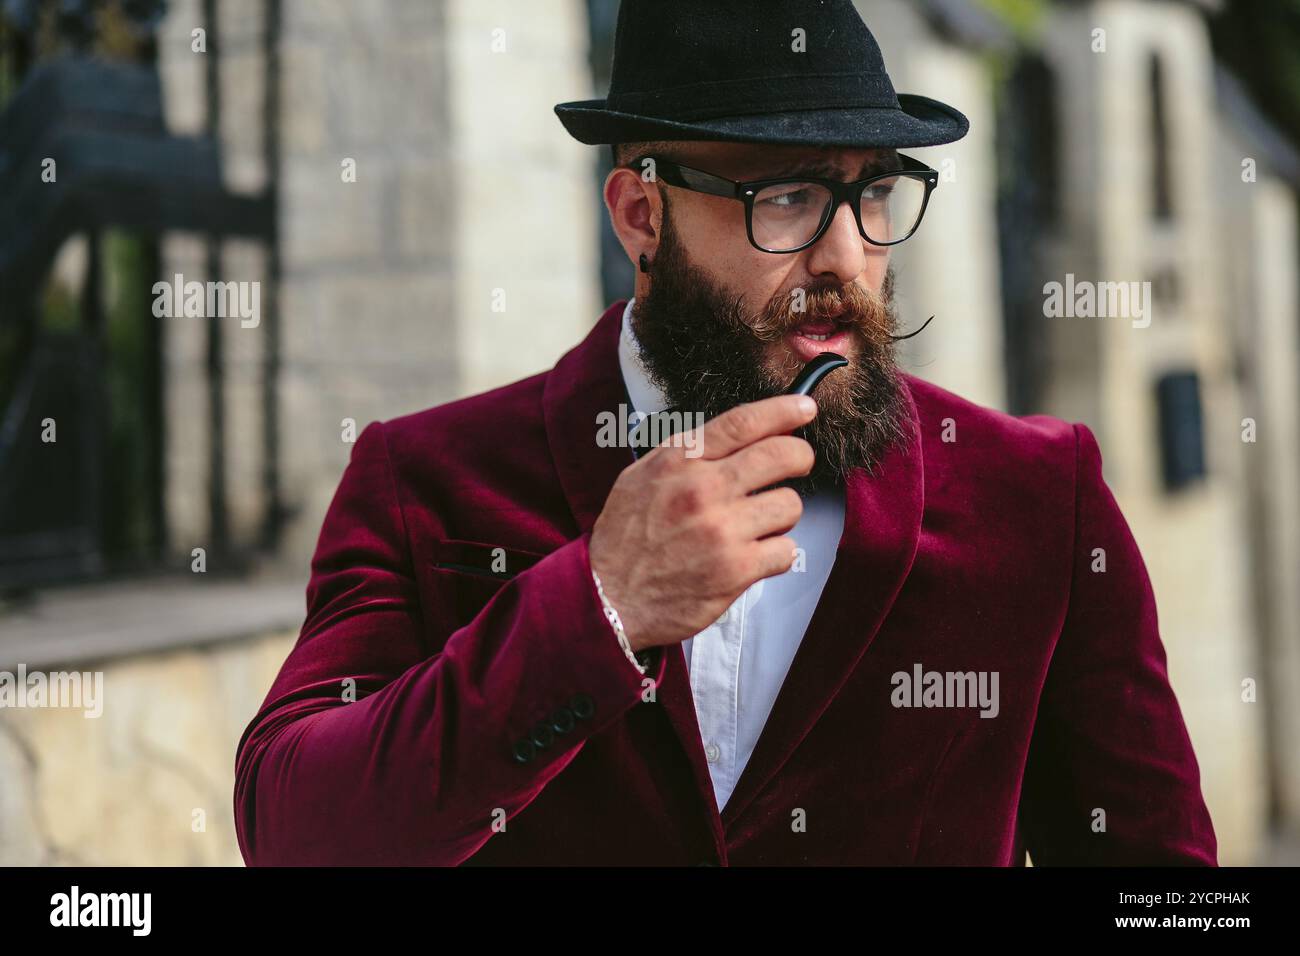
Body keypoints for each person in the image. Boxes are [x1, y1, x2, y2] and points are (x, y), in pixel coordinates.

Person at [234, 0, 1216, 866]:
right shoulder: (428, 479)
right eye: (785, 197)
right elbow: (296, 835)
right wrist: (596, 604)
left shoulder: (1039, 494)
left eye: (872, 193)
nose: (847, 255)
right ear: (639, 214)